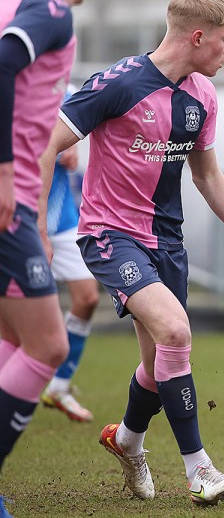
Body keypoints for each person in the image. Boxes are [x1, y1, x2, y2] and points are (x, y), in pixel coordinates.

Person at [36, 0, 224, 507]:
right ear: (198, 37)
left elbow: (209, 176)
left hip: (167, 243)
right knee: (176, 330)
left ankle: (127, 441)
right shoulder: (119, 83)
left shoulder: (202, 97)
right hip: (110, 236)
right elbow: (49, 143)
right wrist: (35, 221)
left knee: (156, 364)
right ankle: (200, 470)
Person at [0, 0, 92, 471]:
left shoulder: (12, 1)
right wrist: (5, 171)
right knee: (48, 346)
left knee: (13, 341)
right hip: (8, 203)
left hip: (21, 206)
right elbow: (3, 64)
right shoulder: (51, 9)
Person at [39, 87, 99, 423]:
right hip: (16, 215)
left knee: (87, 297)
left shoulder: (69, 92)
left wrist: (73, 148)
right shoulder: (12, 83)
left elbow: (72, 139)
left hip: (60, 219)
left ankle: (59, 386)